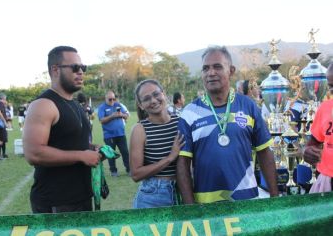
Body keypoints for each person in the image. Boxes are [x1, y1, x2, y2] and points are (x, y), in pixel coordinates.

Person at [177, 46, 278, 204]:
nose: (211, 73)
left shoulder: (249, 106)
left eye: (217, 67)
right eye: (206, 68)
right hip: (205, 203)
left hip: (246, 199)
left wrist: (274, 197)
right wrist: (190, 207)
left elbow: (264, 152)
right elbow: (183, 163)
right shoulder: (189, 113)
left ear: (231, 70)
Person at [23, 46, 101, 213]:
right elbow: (33, 153)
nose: (81, 72)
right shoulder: (43, 105)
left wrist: (92, 149)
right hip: (56, 203)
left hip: (82, 197)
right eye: (75, 67)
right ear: (55, 70)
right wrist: (81, 156)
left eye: (83, 68)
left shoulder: (74, 104)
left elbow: (71, 142)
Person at [130, 79, 185, 208]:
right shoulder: (140, 130)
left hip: (183, 191)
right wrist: (170, 158)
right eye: (146, 98)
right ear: (140, 105)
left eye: (156, 94)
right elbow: (136, 174)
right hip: (153, 196)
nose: (153, 101)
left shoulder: (181, 122)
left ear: (164, 94)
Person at [303, 63, 333, 193]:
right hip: (327, 182)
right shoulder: (325, 108)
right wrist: (308, 151)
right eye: (331, 87)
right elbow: (313, 143)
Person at [98, 90, 130, 177]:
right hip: (109, 135)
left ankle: (129, 169)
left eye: (113, 99)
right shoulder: (102, 107)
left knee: (125, 152)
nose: (112, 101)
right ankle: (113, 171)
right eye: (110, 99)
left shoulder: (118, 105)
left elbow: (126, 115)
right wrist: (112, 116)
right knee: (111, 154)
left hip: (121, 134)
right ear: (106, 99)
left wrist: (121, 115)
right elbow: (101, 120)